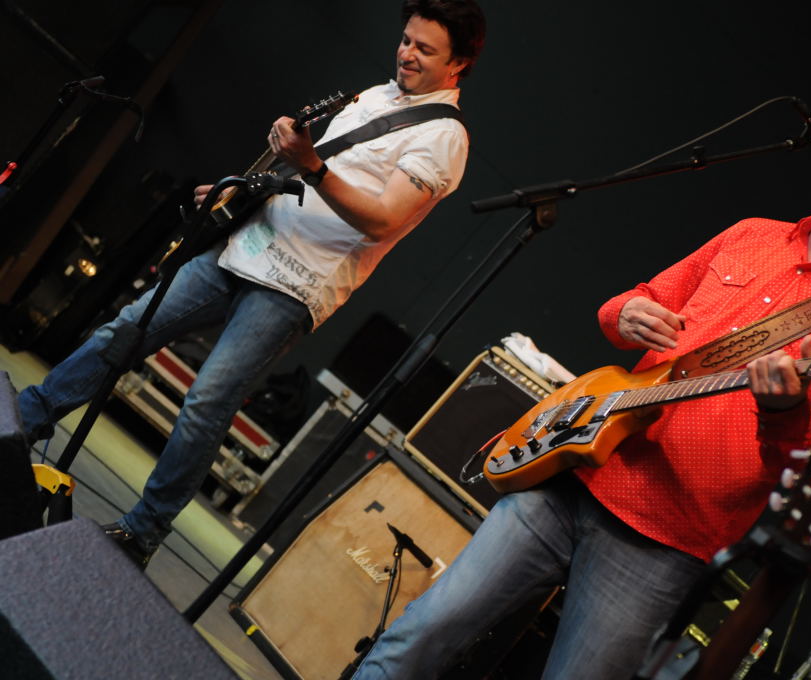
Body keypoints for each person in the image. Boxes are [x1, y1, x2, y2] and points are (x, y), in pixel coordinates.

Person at [351, 115, 811, 679]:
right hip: (575, 473)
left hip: (663, 546)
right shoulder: (753, 234)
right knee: (420, 636)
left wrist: (784, 410)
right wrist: (626, 312)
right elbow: (633, 303)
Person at [15, 0, 486, 566]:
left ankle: (142, 533)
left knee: (207, 398)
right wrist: (243, 187)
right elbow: (310, 177)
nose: (406, 53)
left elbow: (383, 219)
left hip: (296, 285)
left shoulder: (444, 137)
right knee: (125, 329)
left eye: (425, 49)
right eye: (406, 39)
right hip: (248, 244)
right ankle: (20, 425)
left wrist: (312, 165)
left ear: (459, 64)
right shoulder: (375, 95)